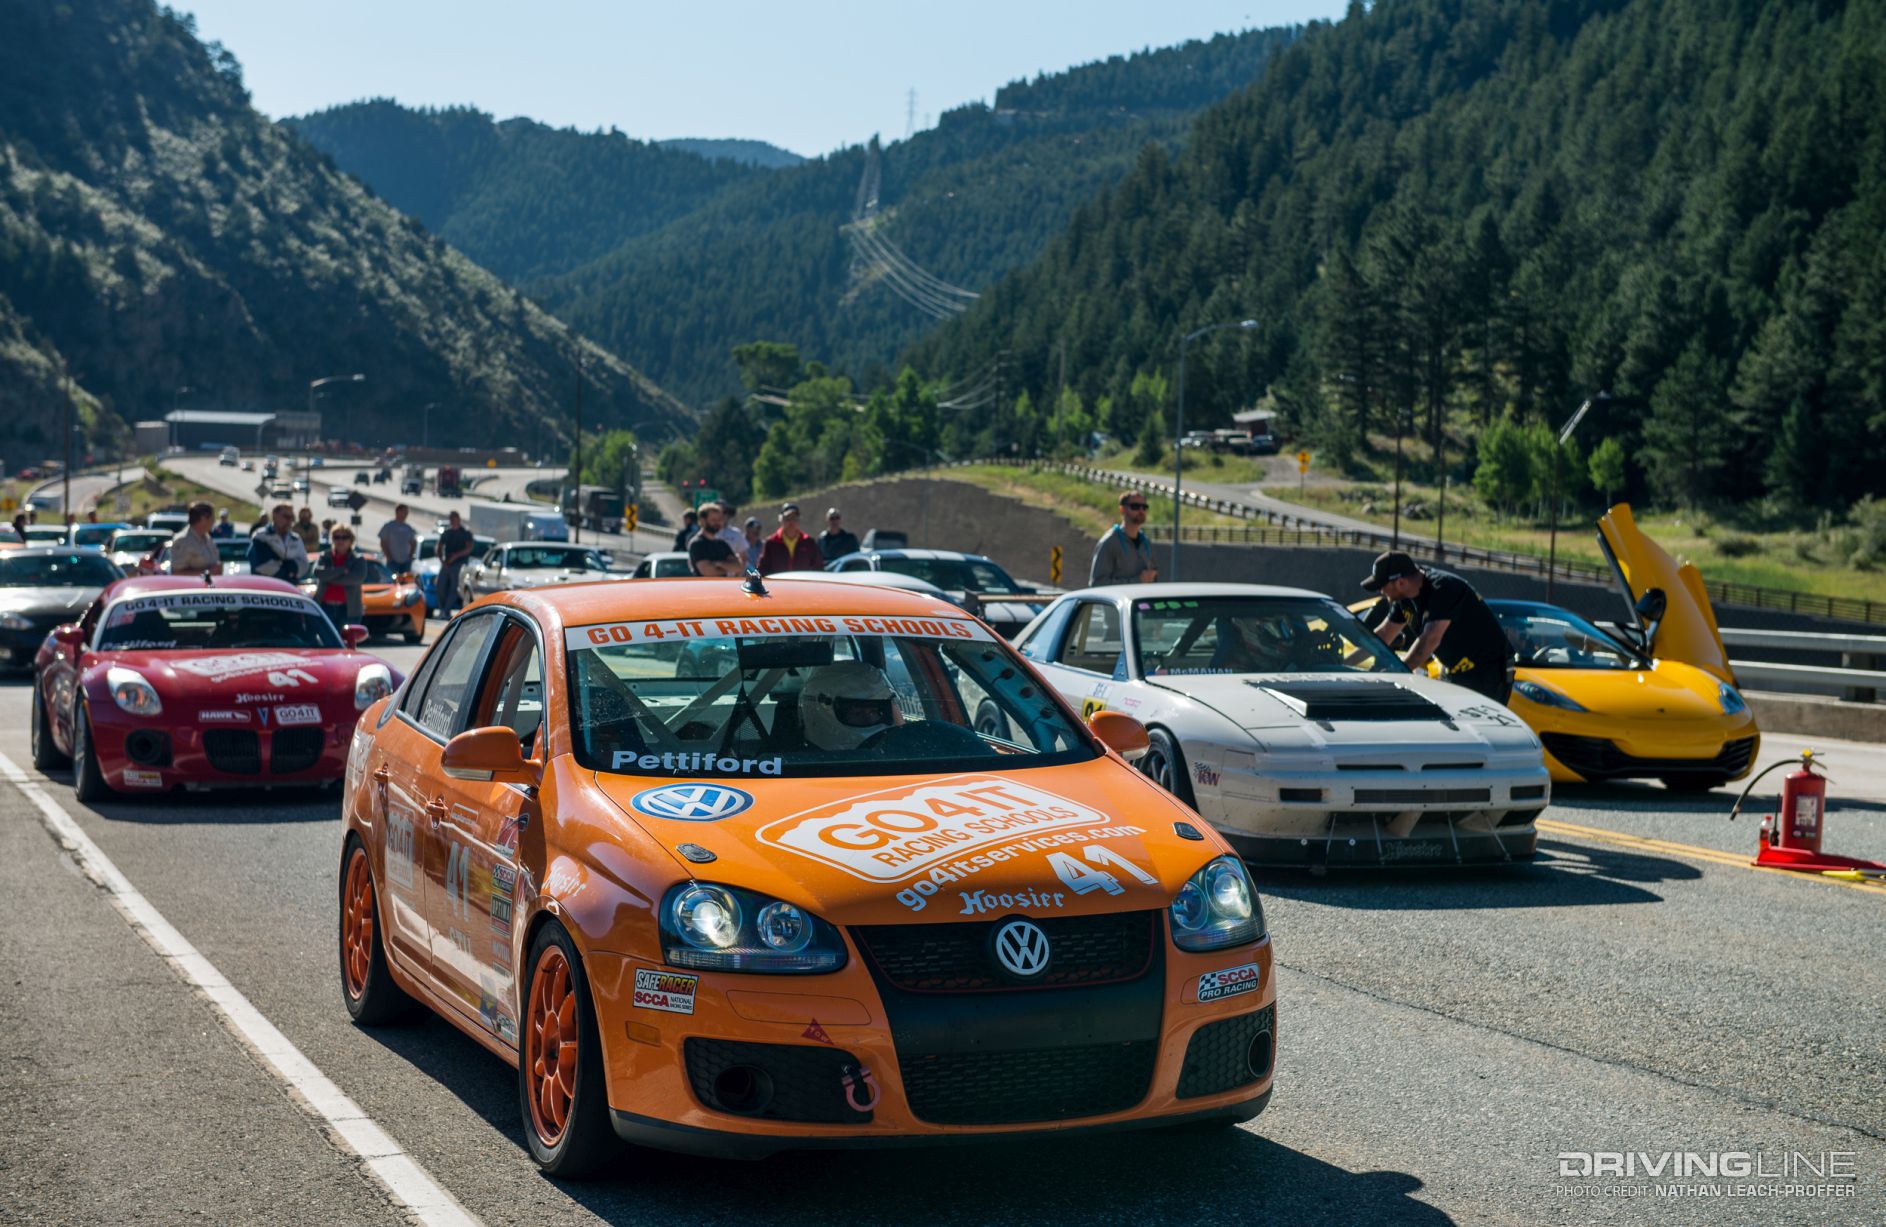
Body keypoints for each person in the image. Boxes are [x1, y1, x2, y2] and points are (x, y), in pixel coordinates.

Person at [1363, 551, 1514, 704]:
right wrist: (1344, 663)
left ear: (1401, 582)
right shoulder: (1403, 597)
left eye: (1382, 586)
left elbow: (1429, 640)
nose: (1380, 592)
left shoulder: (1443, 588)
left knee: (1476, 727)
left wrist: (1397, 673)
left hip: (1487, 673)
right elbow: (1383, 634)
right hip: (1454, 671)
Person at [800, 661, 903, 751]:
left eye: (874, 712)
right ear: (819, 713)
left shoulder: (901, 757)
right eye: (857, 713)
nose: (869, 719)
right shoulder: (792, 768)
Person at [1090, 490, 1157, 585]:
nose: (1141, 510)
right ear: (1122, 509)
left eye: (1144, 507)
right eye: (1135, 506)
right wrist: (1137, 581)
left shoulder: (1146, 543)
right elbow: (1097, 583)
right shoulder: (1110, 542)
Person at [310, 526, 366, 630]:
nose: (340, 540)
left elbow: (356, 578)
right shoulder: (324, 556)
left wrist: (329, 577)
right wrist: (341, 570)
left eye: (344, 537)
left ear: (351, 540)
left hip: (349, 610)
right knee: (327, 643)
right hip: (325, 607)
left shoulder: (358, 559)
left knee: (346, 643)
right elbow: (318, 572)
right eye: (336, 537)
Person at [249, 503, 309, 582]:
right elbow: (262, 565)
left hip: (289, 587)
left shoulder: (296, 539)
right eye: (286, 516)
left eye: (292, 517)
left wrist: (282, 564)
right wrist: (288, 570)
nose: (289, 521)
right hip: (265, 586)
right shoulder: (260, 536)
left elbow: (304, 565)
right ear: (274, 516)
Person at [758, 503, 823, 574]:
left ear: (799, 520)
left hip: (802, 584)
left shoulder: (809, 542)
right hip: (778, 584)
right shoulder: (771, 542)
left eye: (794, 518)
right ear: (781, 520)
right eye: (788, 518)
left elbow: (818, 568)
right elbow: (762, 569)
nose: (791, 522)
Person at [687, 502, 744, 577]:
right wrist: (728, 567)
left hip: (722, 587)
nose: (717, 523)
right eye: (713, 520)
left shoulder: (722, 544)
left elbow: (739, 567)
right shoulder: (697, 544)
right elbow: (708, 571)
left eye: (719, 519)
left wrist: (718, 563)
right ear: (702, 520)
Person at [436, 511, 474, 619]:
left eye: (455, 518)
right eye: (451, 519)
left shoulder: (465, 533)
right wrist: (442, 560)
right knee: (440, 586)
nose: (453, 521)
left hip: (459, 564)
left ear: (458, 519)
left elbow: (469, 548)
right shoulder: (447, 533)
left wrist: (456, 556)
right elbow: (439, 546)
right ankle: (442, 609)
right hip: (447, 563)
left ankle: (446, 610)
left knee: (454, 588)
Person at [168, 502, 222, 577]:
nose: (214, 521)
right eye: (212, 518)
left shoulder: (207, 538)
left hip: (208, 587)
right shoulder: (183, 540)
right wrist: (208, 573)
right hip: (192, 588)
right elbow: (176, 573)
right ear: (203, 519)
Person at [378, 503, 418, 574]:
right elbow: (383, 542)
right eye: (404, 512)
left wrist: (410, 556)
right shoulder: (389, 526)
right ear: (398, 512)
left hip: (405, 562)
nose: (406, 514)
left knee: (405, 582)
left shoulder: (408, 528)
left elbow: (413, 542)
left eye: (407, 512)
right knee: (391, 581)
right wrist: (388, 556)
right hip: (392, 561)